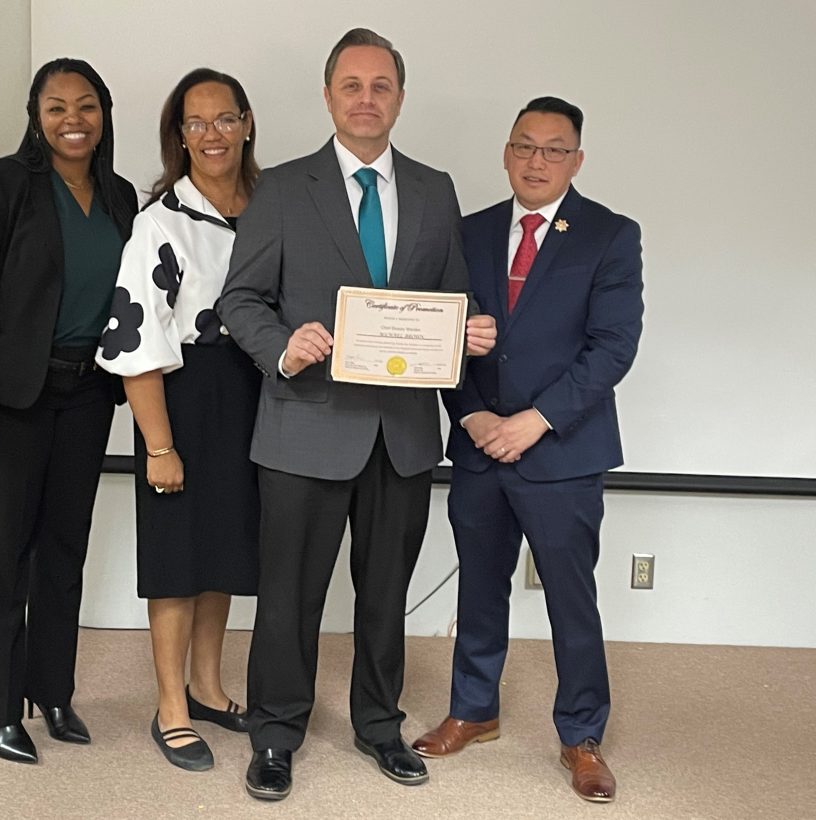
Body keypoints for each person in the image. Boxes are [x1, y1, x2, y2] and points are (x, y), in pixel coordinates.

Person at [217, 29, 497, 801]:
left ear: (400, 98)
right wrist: (284, 346)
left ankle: (379, 725)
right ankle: (276, 734)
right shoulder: (283, 187)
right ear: (328, 96)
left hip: (401, 436)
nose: (366, 98)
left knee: (384, 596)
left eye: (381, 85)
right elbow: (240, 300)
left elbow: (452, 294)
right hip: (304, 427)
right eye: (352, 85)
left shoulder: (435, 188)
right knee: (289, 598)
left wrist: (467, 328)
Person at [411, 97, 644, 804]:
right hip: (481, 447)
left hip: (561, 453)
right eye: (524, 146)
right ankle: (474, 710)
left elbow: (613, 348)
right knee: (479, 586)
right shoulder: (471, 231)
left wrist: (534, 422)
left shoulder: (609, 234)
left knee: (571, 599)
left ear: (577, 160)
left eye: (553, 149)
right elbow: (441, 334)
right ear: (506, 153)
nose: (537, 161)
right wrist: (473, 414)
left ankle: (581, 735)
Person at [0, 58, 138, 764]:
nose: (72, 120)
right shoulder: (1, 184)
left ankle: (53, 691)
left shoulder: (120, 196)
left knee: (64, 548)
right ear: (36, 117)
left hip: (87, 394)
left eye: (86, 106)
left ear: (103, 114)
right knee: (3, 551)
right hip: (9, 400)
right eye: (56, 107)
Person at [96, 68, 261, 772]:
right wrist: (159, 446)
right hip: (182, 399)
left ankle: (208, 687)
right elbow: (135, 340)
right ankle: (170, 708)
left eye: (225, 119)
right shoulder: (159, 221)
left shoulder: (273, 208)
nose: (212, 134)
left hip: (253, 398)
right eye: (196, 123)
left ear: (247, 124)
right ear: (179, 137)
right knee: (176, 560)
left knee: (223, 550)